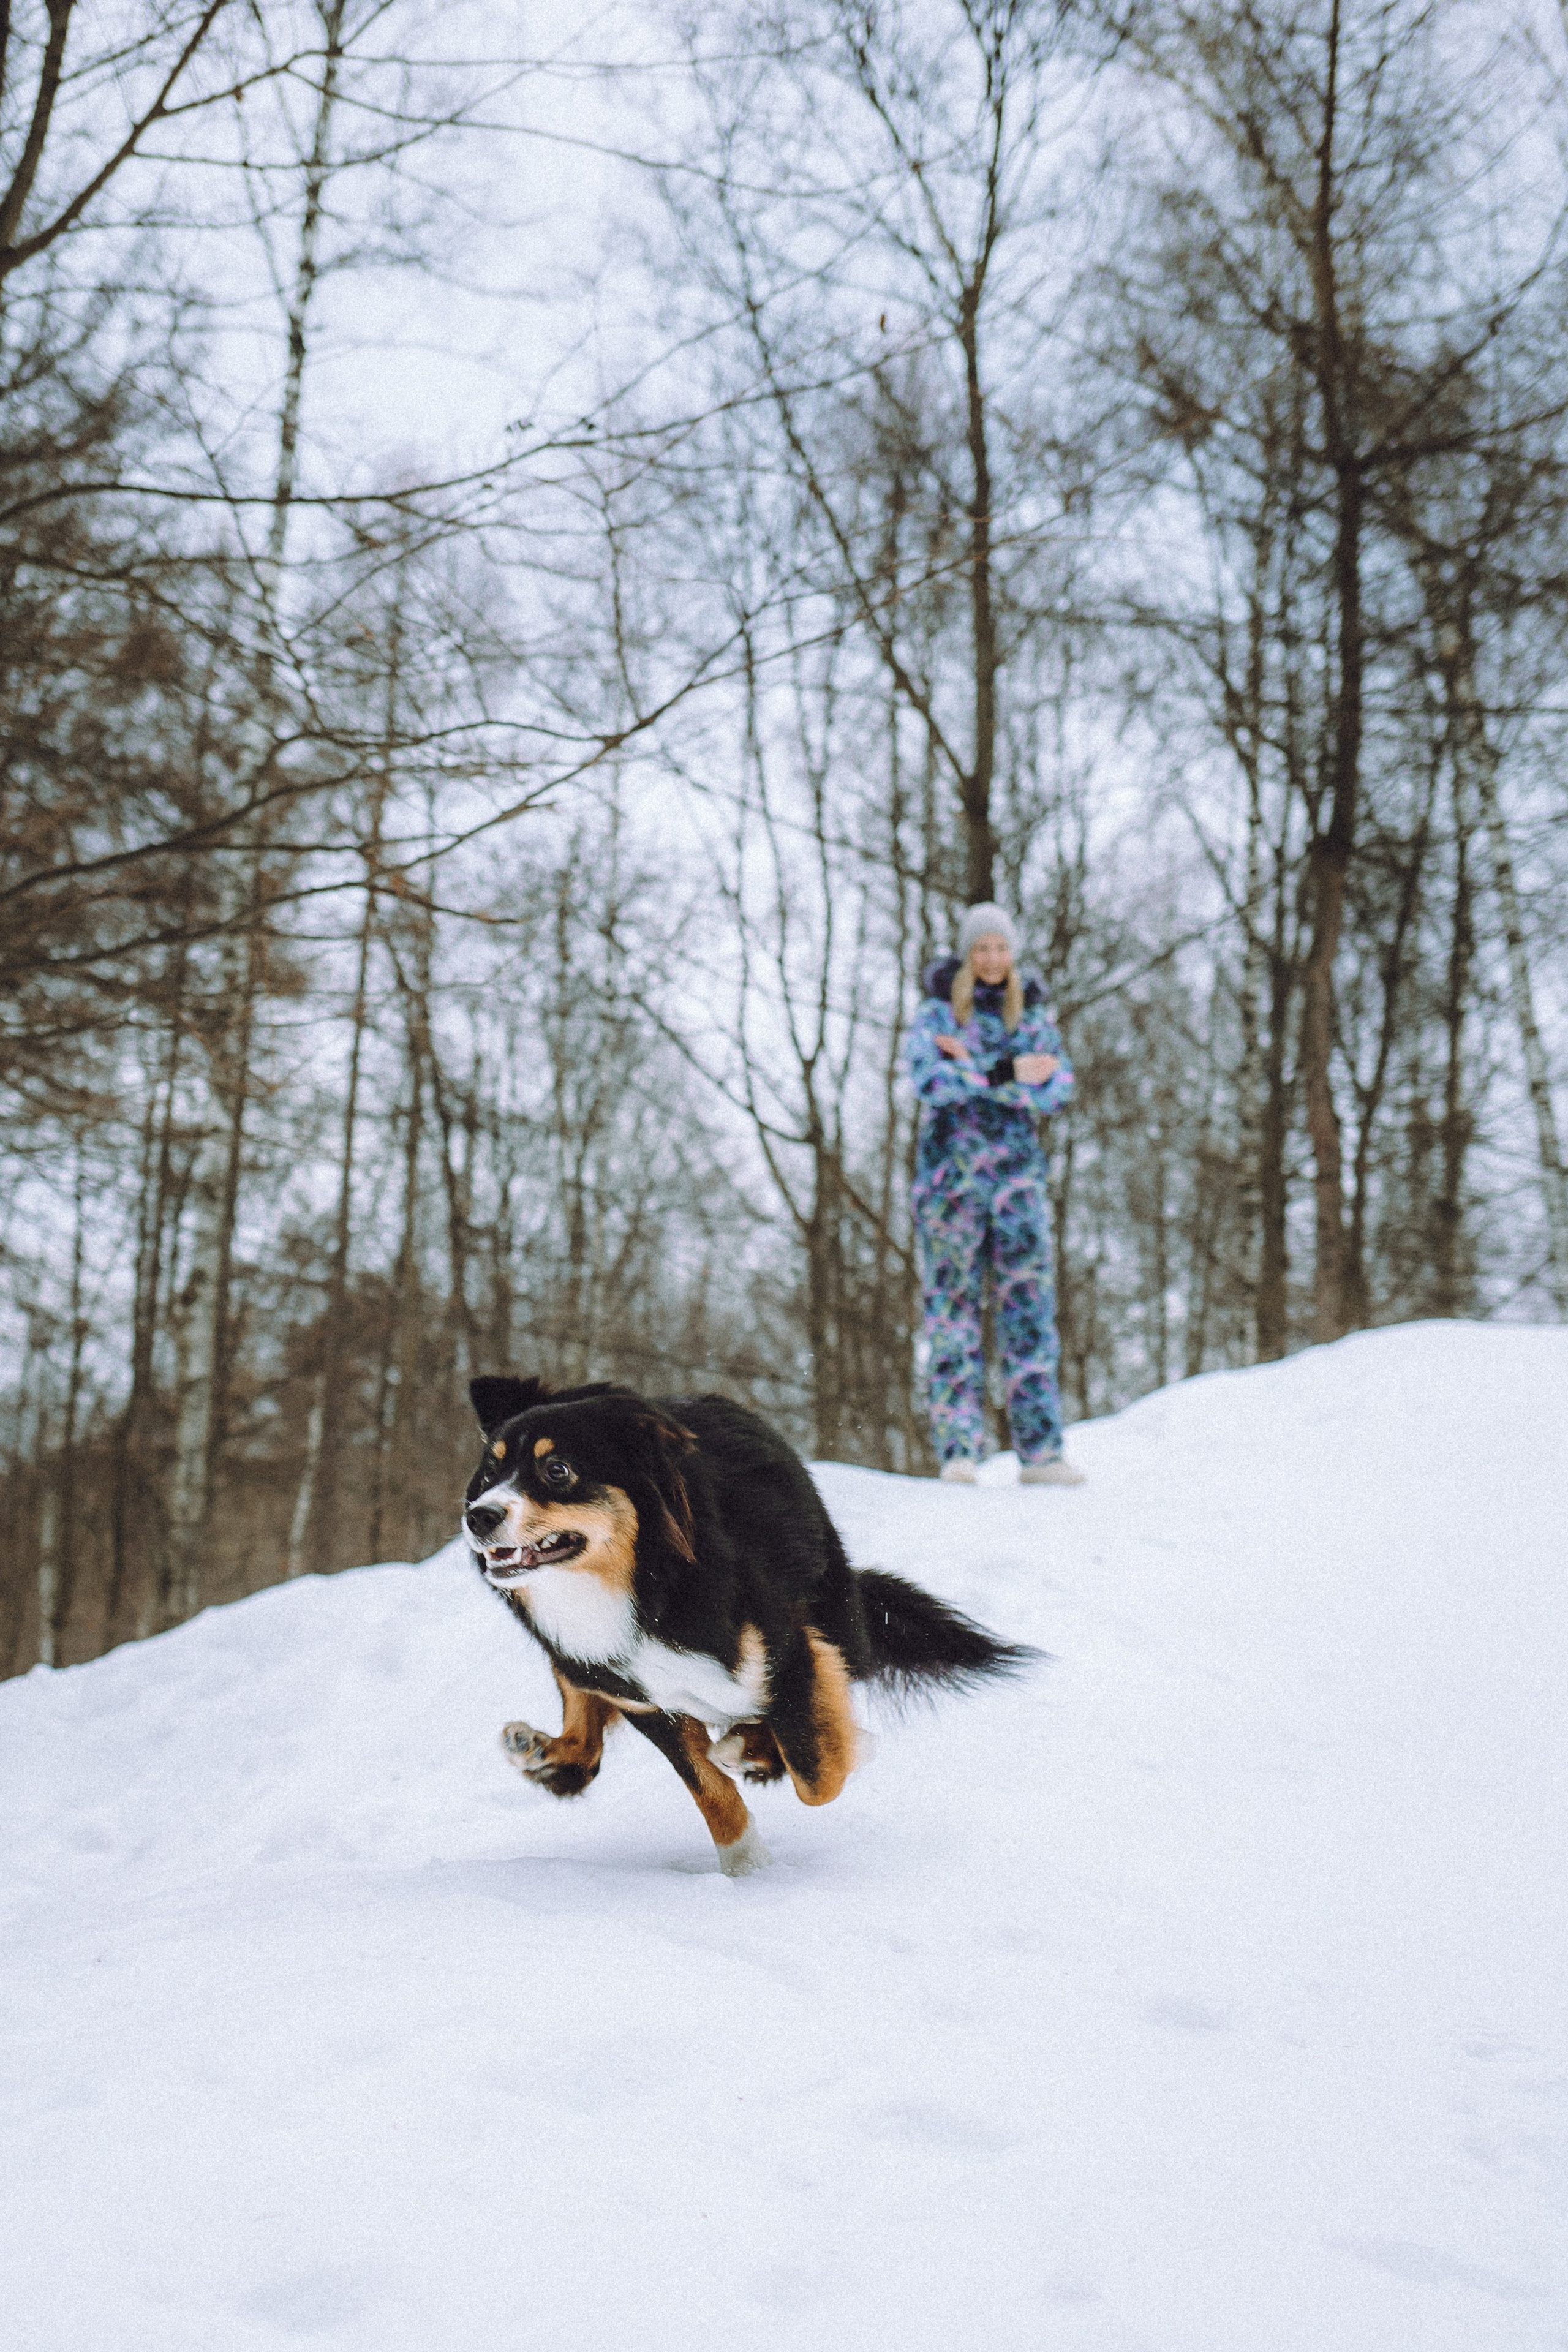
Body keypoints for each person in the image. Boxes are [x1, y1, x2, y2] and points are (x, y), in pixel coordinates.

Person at [907, 902, 1084, 1486]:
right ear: (967, 954)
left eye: (1001, 947)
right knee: (952, 1314)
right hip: (950, 1189)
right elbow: (931, 1080)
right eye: (981, 948)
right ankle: (959, 1450)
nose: (991, 958)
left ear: (1013, 954)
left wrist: (977, 1071)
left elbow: (1057, 1087)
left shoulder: (1031, 1016)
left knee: (1028, 1313)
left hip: (1018, 1188)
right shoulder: (936, 1014)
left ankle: (1041, 1454)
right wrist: (1010, 1073)